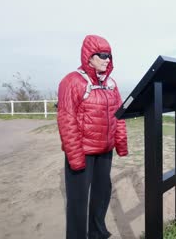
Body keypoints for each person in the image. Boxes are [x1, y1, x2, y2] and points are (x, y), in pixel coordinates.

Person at [57, 35, 128, 239]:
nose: (107, 59)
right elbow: (66, 120)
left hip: (105, 151)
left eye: (110, 56)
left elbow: (119, 115)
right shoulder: (72, 81)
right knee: (78, 200)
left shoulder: (111, 84)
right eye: (103, 55)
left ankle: (97, 232)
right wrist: (75, 157)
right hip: (83, 151)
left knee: (102, 193)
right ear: (89, 56)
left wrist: (120, 144)